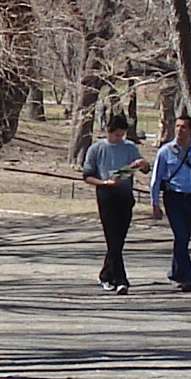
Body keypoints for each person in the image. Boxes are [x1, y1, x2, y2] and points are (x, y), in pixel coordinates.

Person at [150, 113, 191, 292]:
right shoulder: (165, 151)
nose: (179, 130)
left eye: (183, 127)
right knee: (180, 235)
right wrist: (155, 203)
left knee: (184, 238)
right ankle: (187, 277)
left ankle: (175, 271)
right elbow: (155, 179)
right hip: (173, 197)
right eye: (177, 126)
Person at [80, 113, 143, 293]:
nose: (119, 138)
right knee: (112, 238)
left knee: (118, 241)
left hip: (125, 196)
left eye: (122, 135)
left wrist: (141, 164)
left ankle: (106, 274)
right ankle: (120, 279)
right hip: (106, 196)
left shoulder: (130, 148)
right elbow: (87, 175)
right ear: (109, 131)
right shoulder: (96, 149)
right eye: (116, 135)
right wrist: (104, 183)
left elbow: (143, 167)